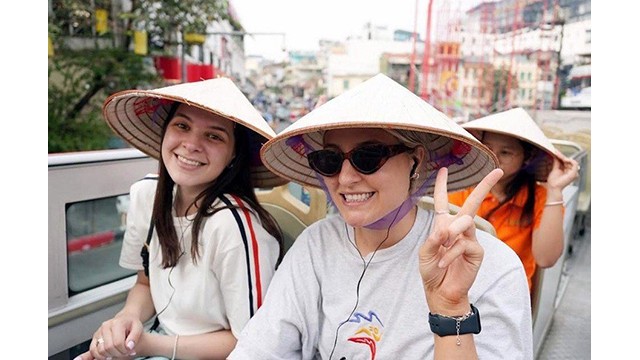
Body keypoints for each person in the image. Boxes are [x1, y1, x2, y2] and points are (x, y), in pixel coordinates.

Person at [229, 74, 533, 359]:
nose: (345, 179)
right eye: (329, 160)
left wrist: (450, 309)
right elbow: (260, 346)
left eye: (368, 157)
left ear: (415, 161)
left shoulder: (491, 267)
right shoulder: (317, 244)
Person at [75, 78, 287, 360]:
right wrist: (126, 320)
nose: (191, 145)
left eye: (214, 136)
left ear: (234, 154)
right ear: (165, 132)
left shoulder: (235, 227)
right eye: (182, 126)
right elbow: (145, 283)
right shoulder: (146, 195)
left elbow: (252, 342)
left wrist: (149, 345)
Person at [448, 107, 580, 291]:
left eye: (506, 153)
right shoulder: (462, 187)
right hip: (459, 287)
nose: (494, 157)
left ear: (527, 158)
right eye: (488, 148)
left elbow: (546, 258)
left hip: (508, 294)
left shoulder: (540, 197)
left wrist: (555, 190)